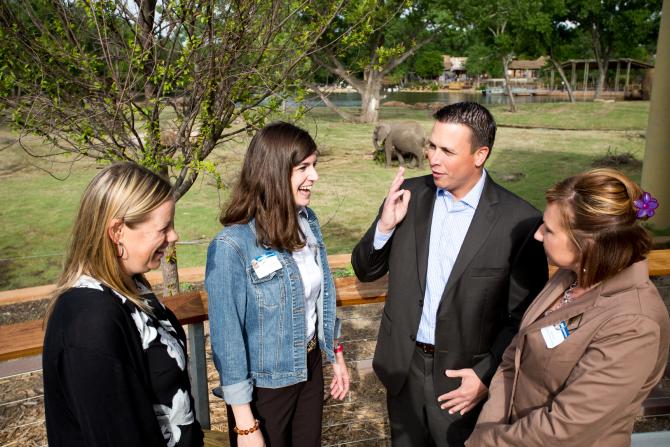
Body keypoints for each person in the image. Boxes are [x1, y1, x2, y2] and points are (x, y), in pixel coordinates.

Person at [352, 101, 548, 446]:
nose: (433, 158)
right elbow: (366, 270)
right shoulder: (410, 196)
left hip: (464, 382)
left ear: (480, 154)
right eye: (431, 145)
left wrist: (485, 375)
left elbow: (525, 316)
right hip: (403, 370)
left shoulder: (521, 222)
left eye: (447, 150)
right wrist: (384, 226)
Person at [467, 168, 670, 446]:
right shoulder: (570, 275)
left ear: (588, 245)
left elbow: (565, 428)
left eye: (549, 230)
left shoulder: (634, 324)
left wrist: (485, 443)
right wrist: (488, 427)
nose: (538, 235)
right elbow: (515, 355)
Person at [205, 121, 349, 447]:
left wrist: (335, 354)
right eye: (303, 168)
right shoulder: (233, 245)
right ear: (273, 171)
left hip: (309, 370)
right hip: (266, 387)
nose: (314, 176)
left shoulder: (306, 222)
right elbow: (228, 341)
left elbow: (319, 299)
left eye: (314, 166)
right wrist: (245, 425)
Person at [43, 162, 207, 446]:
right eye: (164, 227)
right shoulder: (90, 320)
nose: (174, 236)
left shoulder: (133, 286)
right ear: (117, 231)